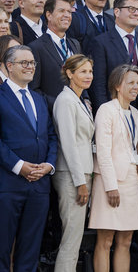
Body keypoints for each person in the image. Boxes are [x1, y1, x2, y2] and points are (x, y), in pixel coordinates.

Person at [0, 45, 57, 272]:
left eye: (32, 63)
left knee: (30, 251)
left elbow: (51, 135)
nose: (30, 67)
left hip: (39, 186)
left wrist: (49, 165)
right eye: (24, 63)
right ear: (9, 66)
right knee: (2, 249)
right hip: (8, 185)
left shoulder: (38, 98)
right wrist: (18, 166)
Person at [89, 64, 138, 272]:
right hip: (110, 181)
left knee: (126, 240)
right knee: (105, 241)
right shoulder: (106, 110)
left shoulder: (135, 112)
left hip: (131, 180)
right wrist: (110, 186)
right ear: (117, 86)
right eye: (130, 82)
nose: (135, 87)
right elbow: (102, 151)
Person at [52, 54, 94, 271]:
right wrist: (80, 182)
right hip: (71, 175)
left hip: (83, 173)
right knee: (71, 240)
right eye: (83, 71)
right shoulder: (65, 101)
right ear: (70, 73)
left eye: (90, 71)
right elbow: (68, 144)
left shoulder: (80, 100)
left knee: (76, 239)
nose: (89, 76)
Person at [28, 0, 82, 110]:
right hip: (54, 114)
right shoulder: (36, 47)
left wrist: (86, 99)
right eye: (61, 11)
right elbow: (34, 89)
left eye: (69, 12)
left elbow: (81, 75)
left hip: (79, 110)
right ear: (49, 15)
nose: (67, 15)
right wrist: (60, 105)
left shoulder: (75, 44)